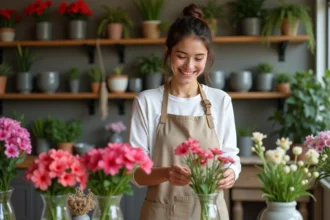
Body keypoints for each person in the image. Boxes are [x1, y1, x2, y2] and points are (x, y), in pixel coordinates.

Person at [128, 3, 241, 220]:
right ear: (167, 51)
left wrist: (231, 174)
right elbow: (135, 173)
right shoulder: (147, 101)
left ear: (207, 56)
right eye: (181, 55)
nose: (189, 66)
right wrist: (166, 173)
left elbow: (230, 157)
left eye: (198, 58)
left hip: (210, 212)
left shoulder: (220, 100)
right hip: (161, 213)